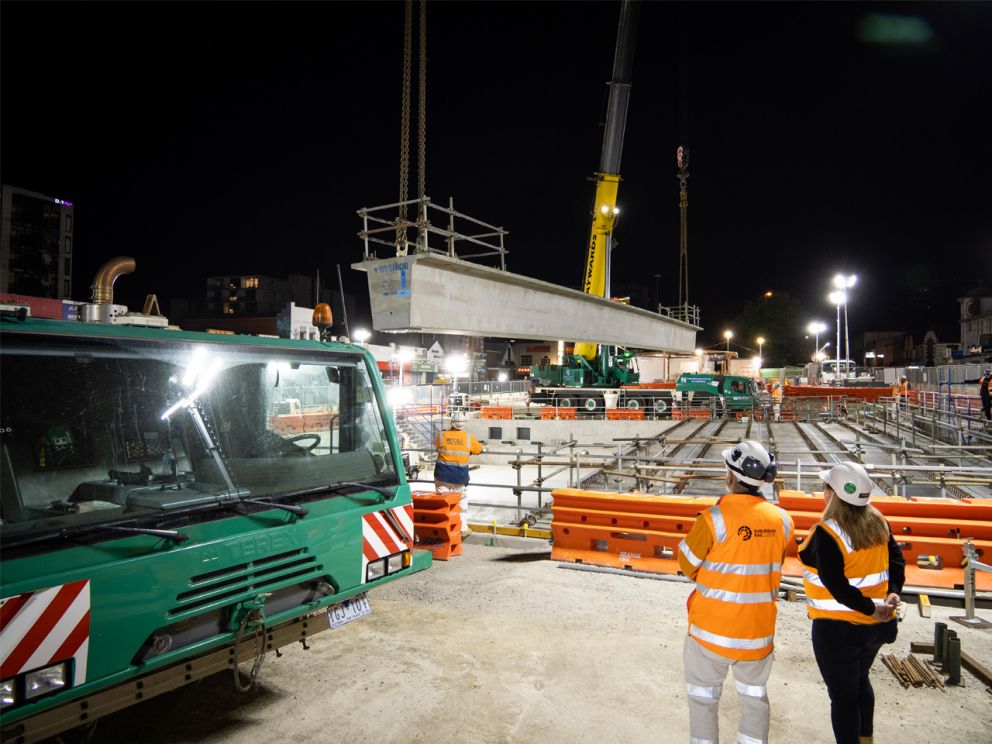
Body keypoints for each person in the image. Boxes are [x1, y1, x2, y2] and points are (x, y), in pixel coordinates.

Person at [678, 440, 794, 744]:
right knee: (755, 699)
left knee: (703, 700)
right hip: (757, 635)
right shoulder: (782, 521)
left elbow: (687, 563)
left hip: (709, 633)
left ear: (730, 477)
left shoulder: (713, 519)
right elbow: (772, 564)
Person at [799, 462, 904, 744]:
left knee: (843, 699)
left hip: (838, 631)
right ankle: (866, 740)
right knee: (859, 683)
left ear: (832, 494)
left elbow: (836, 585)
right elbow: (896, 560)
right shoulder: (879, 521)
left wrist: (872, 607)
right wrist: (894, 592)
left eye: (825, 487)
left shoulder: (827, 533)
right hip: (876, 628)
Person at [433, 412, 483, 537]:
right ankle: (462, 528)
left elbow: (437, 446)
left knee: (443, 502)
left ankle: (444, 527)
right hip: (459, 477)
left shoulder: (441, 435)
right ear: (464, 425)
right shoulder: (468, 438)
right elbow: (479, 450)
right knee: (461, 503)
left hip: (442, 475)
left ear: (451, 422)